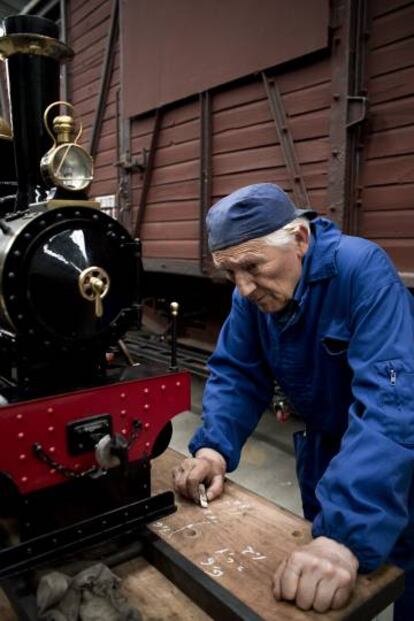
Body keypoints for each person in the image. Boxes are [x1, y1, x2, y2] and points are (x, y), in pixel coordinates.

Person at [172, 183, 414, 619]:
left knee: (403, 574)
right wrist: (213, 448)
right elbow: (237, 372)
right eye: (230, 274)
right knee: (318, 591)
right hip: (325, 449)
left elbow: (391, 404)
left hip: (392, 453)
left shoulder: (360, 270)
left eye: (251, 267)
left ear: (300, 240)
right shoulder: (251, 294)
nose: (243, 288)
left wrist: (344, 535)